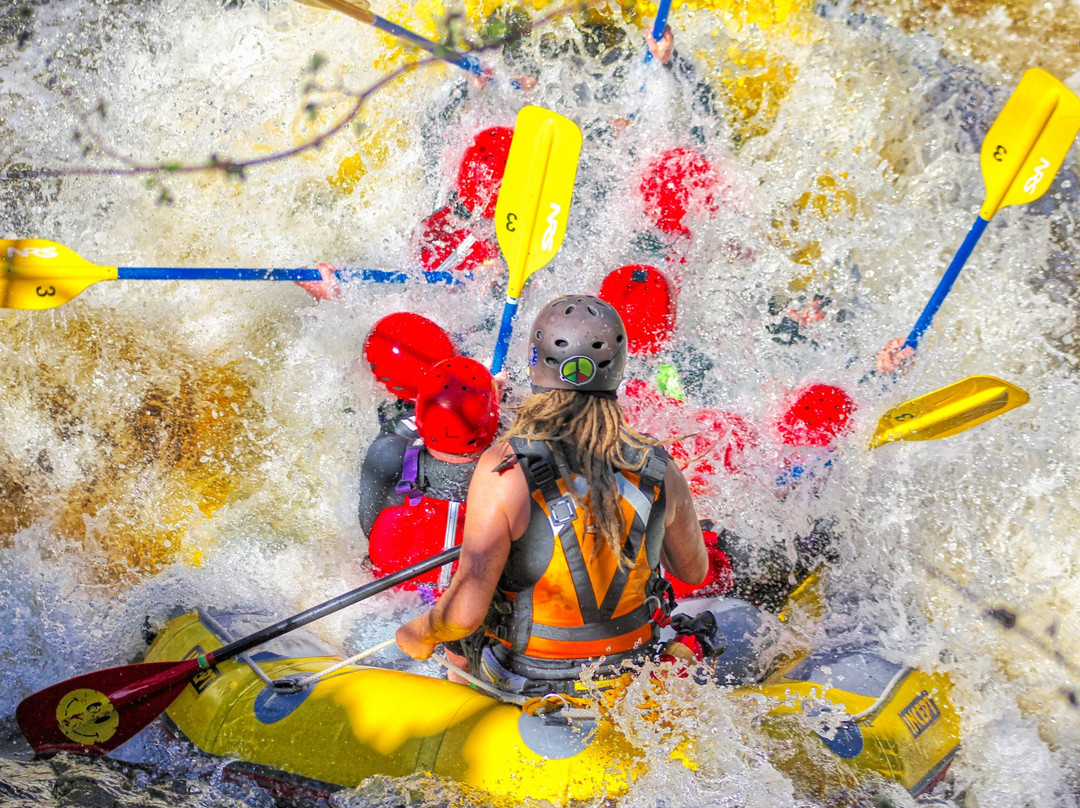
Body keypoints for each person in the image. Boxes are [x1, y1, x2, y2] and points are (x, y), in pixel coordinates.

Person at [396, 294, 708, 696]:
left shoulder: (503, 468)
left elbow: (462, 615)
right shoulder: (658, 467)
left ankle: (462, 716)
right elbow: (692, 573)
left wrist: (420, 631)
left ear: (534, 363)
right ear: (617, 368)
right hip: (631, 671)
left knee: (456, 641)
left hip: (525, 677)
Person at [359, 356, 500, 600]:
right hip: (470, 603)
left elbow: (367, 527)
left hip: (389, 597)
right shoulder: (508, 471)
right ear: (491, 423)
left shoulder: (386, 452)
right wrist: (492, 401)